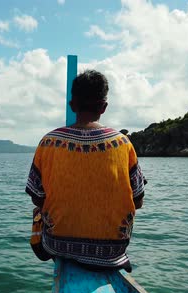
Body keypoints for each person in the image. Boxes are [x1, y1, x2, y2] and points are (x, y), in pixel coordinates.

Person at [25, 70, 146, 271]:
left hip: (57, 245)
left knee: (40, 208)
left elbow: (37, 198)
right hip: (111, 252)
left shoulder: (48, 142)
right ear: (104, 107)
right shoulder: (123, 143)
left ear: (72, 105)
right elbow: (138, 201)